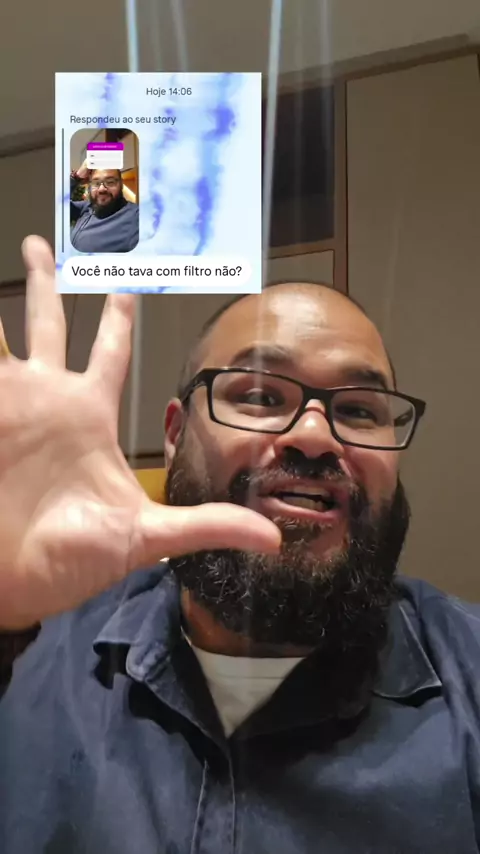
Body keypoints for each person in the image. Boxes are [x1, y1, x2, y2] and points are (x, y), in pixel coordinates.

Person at [0, 235, 479, 854]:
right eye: (258, 396)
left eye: (360, 411)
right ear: (176, 435)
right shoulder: (34, 651)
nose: (315, 436)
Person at [70, 159, 139, 253]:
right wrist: (76, 178)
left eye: (110, 182)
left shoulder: (136, 218)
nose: (101, 189)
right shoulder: (86, 207)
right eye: (96, 183)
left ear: (121, 184)